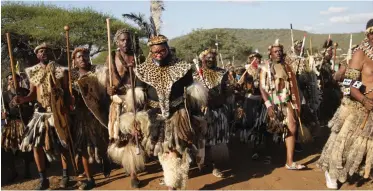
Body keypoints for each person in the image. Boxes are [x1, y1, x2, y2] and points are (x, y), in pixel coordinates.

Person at [134, 34, 208, 190]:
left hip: (178, 115)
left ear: (167, 49)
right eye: (155, 52)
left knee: (176, 150)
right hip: (155, 117)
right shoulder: (142, 70)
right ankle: (172, 183)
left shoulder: (181, 67)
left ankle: (172, 185)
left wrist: (195, 114)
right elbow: (138, 99)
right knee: (164, 152)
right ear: (150, 52)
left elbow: (191, 93)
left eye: (162, 51)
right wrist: (136, 118)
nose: (159, 54)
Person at [316, 18, 373, 189]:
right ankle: (331, 172)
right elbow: (348, 85)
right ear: (368, 35)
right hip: (355, 107)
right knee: (343, 142)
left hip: (371, 110)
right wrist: (364, 100)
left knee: (362, 145)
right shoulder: (360, 54)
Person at [13, 43, 73, 189]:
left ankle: (66, 176)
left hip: (58, 112)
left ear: (50, 53)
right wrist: (23, 99)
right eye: (40, 51)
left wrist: (68, 105)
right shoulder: (34, 71)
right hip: (41, 113)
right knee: (36, 145)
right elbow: (32, 94)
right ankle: (43, 179)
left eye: (46, 51)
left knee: (63, 145)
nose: (43, 53)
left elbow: (66, 90)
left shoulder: (60, 70)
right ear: (37, 55)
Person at [105, 28, 146, 188]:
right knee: (121, 137)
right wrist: (109, 89)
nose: (125, 43)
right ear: (117, 42)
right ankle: (131, 169)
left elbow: (144, 78)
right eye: (122, 40)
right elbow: (108, 79)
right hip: (119, 102)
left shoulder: (138, 56)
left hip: (136, 101)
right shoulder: (112, 57)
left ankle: (134, 169)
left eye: (128, 40)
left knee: (135, 135)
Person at [259, 39, 306, 170]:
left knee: (292, 126)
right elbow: (262, 88)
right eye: (275, 52)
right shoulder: (265, 67)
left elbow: (292, 86)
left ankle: (290, 161)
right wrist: (268, 105)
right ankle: (268, 155)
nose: (278, 53)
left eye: (280, 51)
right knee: (272, 130)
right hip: (273, 102)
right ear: (270, 54)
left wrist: (295, 103)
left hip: (286, 101)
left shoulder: (287, 67)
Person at [70, 47, 111, 189]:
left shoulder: (98, 71)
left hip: (99, 114)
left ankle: (106, 161)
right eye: (79, 57)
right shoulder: (71, 76)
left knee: (103, 142)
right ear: (74, 61)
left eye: (85, 56)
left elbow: (106, 91)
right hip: (81, 116)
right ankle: (89, 178)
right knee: (83, 147)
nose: (82, 59)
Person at [194, 48, 230, 178]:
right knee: (203, 139)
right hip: (203, 112)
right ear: (202, 59)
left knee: (217, 139)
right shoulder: (196, 75)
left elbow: (226, 92)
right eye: (207, 58)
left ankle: (216, 166)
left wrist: (226, 93)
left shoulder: (222, 73)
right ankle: (202, 162)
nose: (210, 59)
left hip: (219, 110)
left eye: (212, 57)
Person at [1, 73, 34, 183]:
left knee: (25, 147)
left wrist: (24, 104)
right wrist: (3, 115)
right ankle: (13, 171)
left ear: (19, 80)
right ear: (8, 81)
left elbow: (32, 105)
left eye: (15, 78)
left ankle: (27, 170)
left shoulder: (25, 92)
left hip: (24, 122)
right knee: (6, 147)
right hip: (11, 123)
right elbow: (3, 110)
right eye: (10, 79)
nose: (13, 81)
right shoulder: (4, 95)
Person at [235, 52, 267, 160]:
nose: (256, 60)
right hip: (249, 102)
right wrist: (238, 86)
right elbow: (240, 88)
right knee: (251, 124)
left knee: (260, 124)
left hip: (262, 102)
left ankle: (258, 147)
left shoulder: (264, 71)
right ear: (250, 60)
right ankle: (252, 148)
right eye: (254, 58)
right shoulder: (246, 72)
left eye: (258, 58)